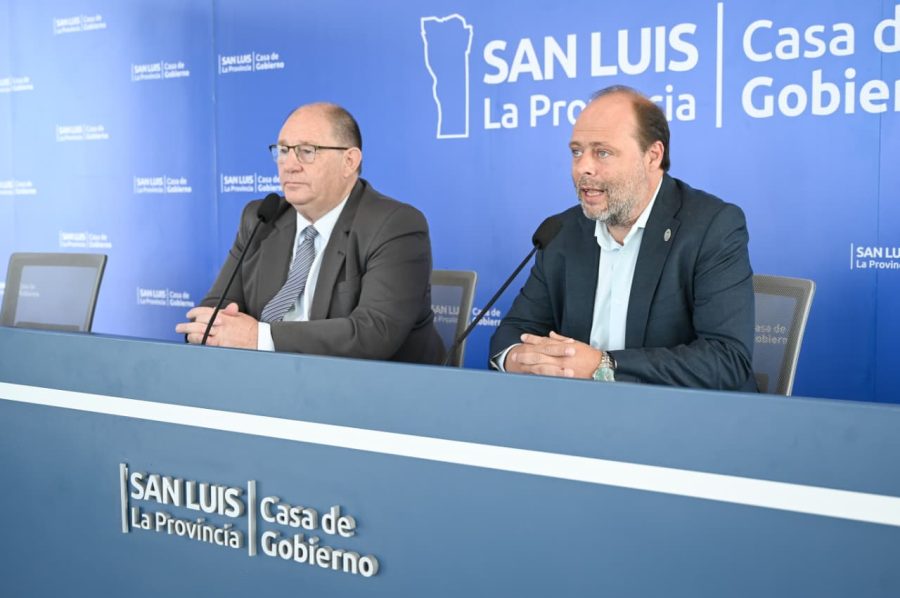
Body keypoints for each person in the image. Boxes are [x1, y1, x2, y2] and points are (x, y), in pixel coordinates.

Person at [490, 86, 756, 391]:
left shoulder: (712, 226)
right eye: (576, 152)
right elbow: (512, 333)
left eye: (602, 152)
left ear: (652, 156)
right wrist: (519, 358)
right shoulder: (561, 232)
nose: (583, 167)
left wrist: (603, 366)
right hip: (579, 412)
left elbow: (726, 359)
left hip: (681, 413)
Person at [176, 102, 445, 364]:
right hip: (270, 381)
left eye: (307, 151)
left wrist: (258, 337)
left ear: (349, 161)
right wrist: (214, 329)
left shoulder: (394, 225)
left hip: (368, 387)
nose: (289, 165)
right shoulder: (261, 218)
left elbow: (373, 333)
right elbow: (212, 311)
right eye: (283, 150)